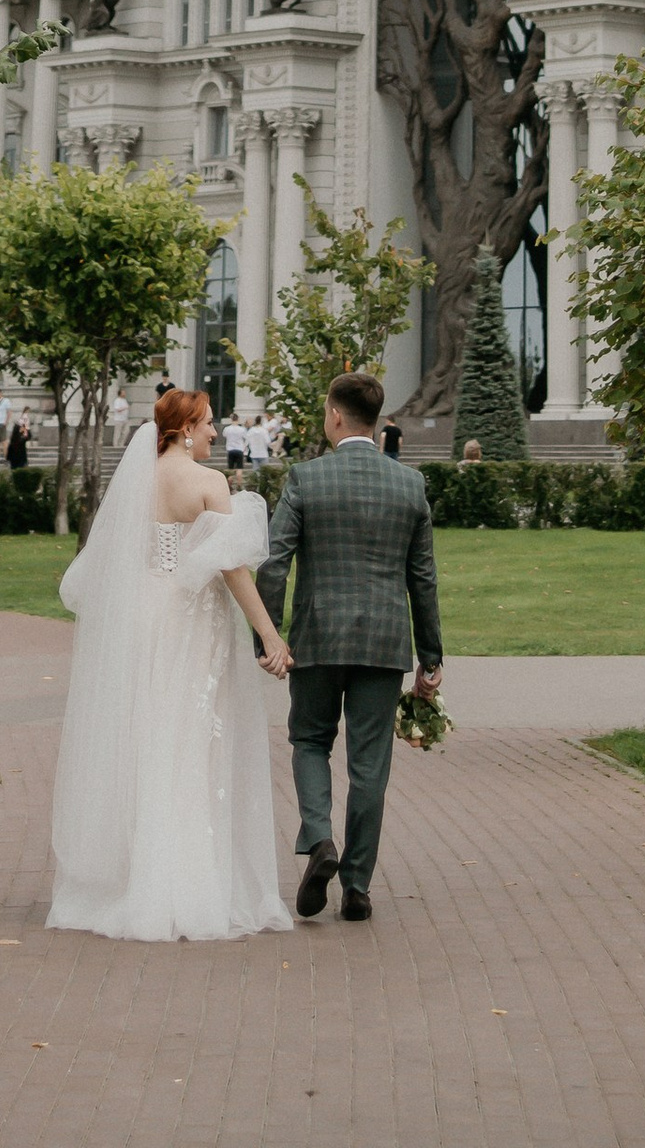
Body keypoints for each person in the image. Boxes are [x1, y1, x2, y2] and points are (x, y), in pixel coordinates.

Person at [48, 383, 293, 941]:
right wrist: (270, 636)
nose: (214, 431)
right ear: (185, 428)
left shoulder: (139, 481)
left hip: (147, 616)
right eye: (208, 422)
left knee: (149, 736)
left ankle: (139, 879)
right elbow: (233, 568)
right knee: (194, 744)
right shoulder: (208, 482)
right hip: (194, 624)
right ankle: (189, 886)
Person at [255, 369, 444, 925]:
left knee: (310, 740)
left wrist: (267, 636)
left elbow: (275, 563)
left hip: (317, 636)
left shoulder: (305, 479)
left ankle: (319, 840)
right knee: (370, 766)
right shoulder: (410, 486)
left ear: (335, 416)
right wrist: (430, 658)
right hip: (385, 643)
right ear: (379, 421)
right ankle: (357, 886)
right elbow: (423, 579)